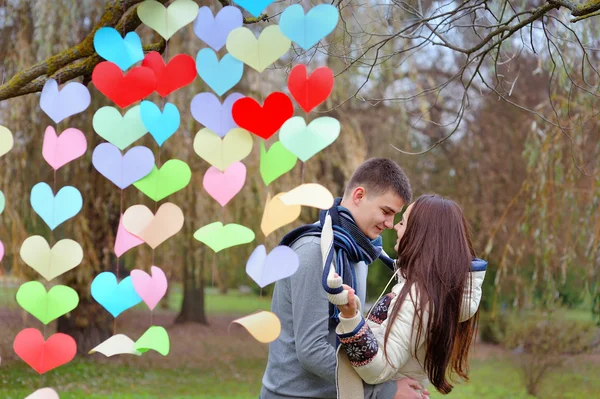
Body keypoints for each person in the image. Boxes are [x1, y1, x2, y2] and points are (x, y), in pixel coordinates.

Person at [260, 158, 428, 399]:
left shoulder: (359, 252)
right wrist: (383, 390)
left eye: (395, 216)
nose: (390, 224)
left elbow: (350, 335)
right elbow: (312, 350)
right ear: (359, 196)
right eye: (386, 211)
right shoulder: (314, 251)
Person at [333, 195, 487, 398]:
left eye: (403, 222)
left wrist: (351, 316)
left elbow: (377, 369)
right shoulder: (433, 292)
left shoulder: (418, 297)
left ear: (421, 235)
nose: (396, 226)